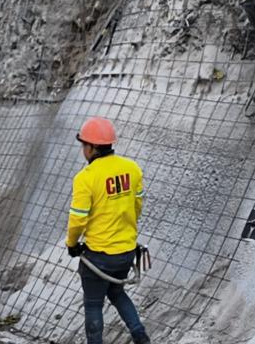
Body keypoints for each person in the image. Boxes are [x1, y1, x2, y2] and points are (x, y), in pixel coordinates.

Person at [65, 117, 150, 344]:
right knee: (116, 292)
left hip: (98, 258)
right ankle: (141, 336)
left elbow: (78, 219)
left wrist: (72, 244)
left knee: (93, 304)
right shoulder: (132, 169)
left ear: (92, 148)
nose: (83, 149)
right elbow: (137, 205)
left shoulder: (86, 177)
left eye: (84, 145)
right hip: (126, 252)